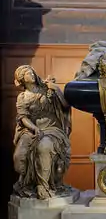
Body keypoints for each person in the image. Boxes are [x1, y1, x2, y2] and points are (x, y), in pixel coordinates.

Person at [13, 65, 71, 199]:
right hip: (30, 130)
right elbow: (23, 117)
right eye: (28, 73)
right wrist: (34, 128)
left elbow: (66, 105)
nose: (32, 74)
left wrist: (56, 89)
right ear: (22, 79)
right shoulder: (22, 97)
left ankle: (42, 186)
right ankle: (26, 184)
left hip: (52, 129)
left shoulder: (46, 89)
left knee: (44, 147)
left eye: (32, 72)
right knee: (19, 156)